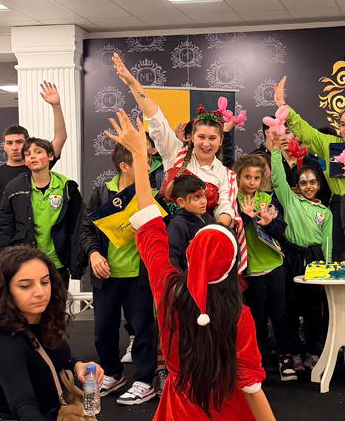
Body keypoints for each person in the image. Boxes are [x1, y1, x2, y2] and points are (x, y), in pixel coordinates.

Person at [105, 108, 275, 421]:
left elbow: (149, 222)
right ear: (232, 268)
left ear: (191, 254)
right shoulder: (239, 317)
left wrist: (140, 158)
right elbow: (252, 389)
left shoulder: (168, 289)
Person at [272, 76, 345, 353]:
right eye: (343, 123)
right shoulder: (331, 146)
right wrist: (283, 106)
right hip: (341, 214)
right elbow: (305, 131)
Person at [112, 53, 246, 272]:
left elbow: (225, 211)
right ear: (191, 137)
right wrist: (133, 83)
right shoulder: (174, 152)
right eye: (201, 137)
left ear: (221, 141)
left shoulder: (226, 175)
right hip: (163, 243)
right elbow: (155, 117)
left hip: (202, 249)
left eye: (212, 138)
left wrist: (210, 237)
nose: (206, 143)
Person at [0, 246, 104, 421]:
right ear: (5, 291)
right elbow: (23, 406)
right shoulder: (4, 340)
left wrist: (76, 365)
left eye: (45, 282)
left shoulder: (41, 318)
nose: (40, 292)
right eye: (25, 286)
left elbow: (46, 356)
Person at [79, 143, 158, 405]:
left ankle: (145, 380)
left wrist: (147, 232)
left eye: (149, 161)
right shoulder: (102, 193)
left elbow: (163, 233)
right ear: (124, 166)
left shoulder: (151, 195)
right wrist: (93, 254)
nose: (149, 167)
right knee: (103, 330)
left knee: (143, 330)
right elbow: (86, 229)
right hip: (106, 277)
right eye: (143, 163)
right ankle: (113, 374)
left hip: (139, 277)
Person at [0, 82, 68, 262]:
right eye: (10, 143)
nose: (15, 147)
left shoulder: (37, 167)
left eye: (19, 142)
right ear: (4, 146)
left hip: (43, 247)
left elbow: (60, 137)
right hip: (9, 246)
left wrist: (56, 106)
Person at [269, 130, 332, 370]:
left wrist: (326, 270)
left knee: (314, 308)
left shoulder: (325, 212)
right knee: (290, 306)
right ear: (297, 186)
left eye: (312, 182)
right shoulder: (290, 201)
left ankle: (313, 351)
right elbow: (277, 180)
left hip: (315, 260)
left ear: (318, 185)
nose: (308, 186)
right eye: (303, 182)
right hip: (292, 257)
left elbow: (327, 244)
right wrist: (276, 151)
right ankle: (293, 351)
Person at [233, 154, 298, 381]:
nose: (252, 182)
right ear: (238, 177)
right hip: (250, 271)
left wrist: (269, 224)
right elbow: (228, 234)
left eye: (257, 177)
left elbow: (281, 231)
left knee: (280, 314)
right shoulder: (231, 201)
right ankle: (256, 358)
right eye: (247, 177)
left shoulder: (267, 199)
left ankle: (286, 359)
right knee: (256, 318)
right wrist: (243, 217)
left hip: (274, 265)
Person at [0, 138, 83, 281]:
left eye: (38, 152)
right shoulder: (13, 188)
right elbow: (5, 229)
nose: (32, 156)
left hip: (58, 264)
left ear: (50, 156)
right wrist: (3, 262)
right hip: (25, 262)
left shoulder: (67, 187)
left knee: (57, 296)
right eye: (27, 154)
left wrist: (79, 261)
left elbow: (77, 228)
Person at [166, 175, 216, 274]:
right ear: (181, 202)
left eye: (204, 195)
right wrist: (181, 280)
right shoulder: (177, 225)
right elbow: (171, 259)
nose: (203, 201)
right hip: (188, 279)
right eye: (196, 198)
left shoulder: (210, 220)